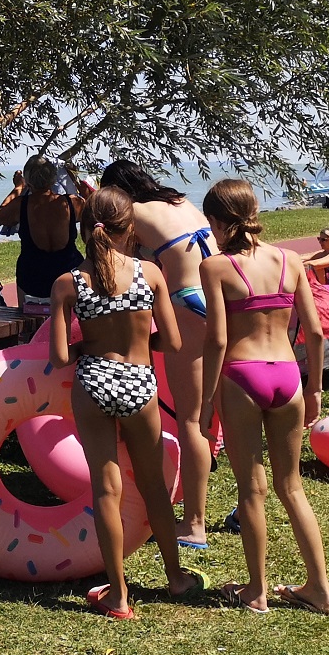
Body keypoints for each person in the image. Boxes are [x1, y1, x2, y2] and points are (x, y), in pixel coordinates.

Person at [47, 187, 207, 618]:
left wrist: (88, 350)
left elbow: (60, 356)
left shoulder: (68, 283)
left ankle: (118, 595)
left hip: (94, 383)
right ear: (129, 228)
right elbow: (171, 341)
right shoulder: (150, 273)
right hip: (139, 384)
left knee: (106, 488)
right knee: (153, 484)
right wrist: (138, 343)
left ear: (84, 228)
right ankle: (175, 578)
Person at [197, 179, 329, 615]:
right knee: (291, 486)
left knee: (251, 489)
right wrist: (315, 387)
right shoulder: (290, 260)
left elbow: (217, 340)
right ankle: (319, 589)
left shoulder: (216, 267)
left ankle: (257, 591)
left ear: (219, 222)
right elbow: (313, 330)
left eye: (210, 223)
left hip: (241, 375)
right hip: (287, 376)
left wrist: (203, 404)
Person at [98, 160, 215, 549]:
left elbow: (116, 262)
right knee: (220, 413)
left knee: (191, 421)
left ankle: (195, 524)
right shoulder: (180, 202)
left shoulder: (132, 212)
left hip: (188, 300)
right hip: (220, 299)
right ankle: (243, 504)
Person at [0, 155, 85, 301]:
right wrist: (73, 179)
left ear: (28, 181)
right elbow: (92, 212)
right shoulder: (72, 202)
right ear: (53, 178)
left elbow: (1, 215)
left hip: (32, 277)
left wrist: (18, 188)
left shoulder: (20, 205)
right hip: (68, 273)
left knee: (29, 317)